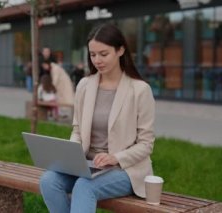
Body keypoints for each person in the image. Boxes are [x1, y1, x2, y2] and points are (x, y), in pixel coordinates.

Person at [39, 23, 155, 213]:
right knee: (49, 181)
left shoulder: (140, 90)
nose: (97, 60)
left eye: (103, 54)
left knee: (84, 186)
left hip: (125, 169)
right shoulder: (85, 85)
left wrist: (114, 157)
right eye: (93, 55)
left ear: (120, 50)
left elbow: (146, 144)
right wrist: (71, 153)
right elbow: (77, 130)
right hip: (87, 165)